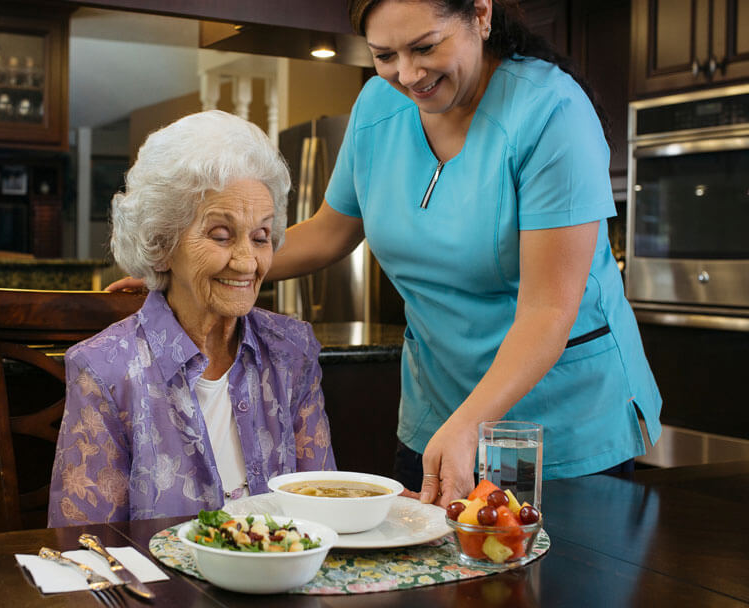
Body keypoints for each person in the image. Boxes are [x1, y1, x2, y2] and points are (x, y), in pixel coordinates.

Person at [109, 0, 661, 509]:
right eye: (385, 55)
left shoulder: (551, 112)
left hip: (556, 421)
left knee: (543, 582)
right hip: (437, 409)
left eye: (426, 47)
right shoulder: (380, 106)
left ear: (481, 15)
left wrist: (471, 422)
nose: (408, 74)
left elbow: (548, 310)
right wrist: (193, 273)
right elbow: (329, 232)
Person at [48, 110, 335, 527]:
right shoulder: (105, 369)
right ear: (162, 243)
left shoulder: (292, 351)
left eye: (261, 237)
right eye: (220, 236)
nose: (246, 261)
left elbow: (324, 513)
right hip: (161, 591)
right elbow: (86, 546)